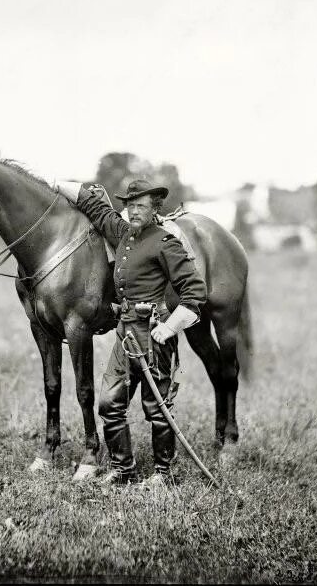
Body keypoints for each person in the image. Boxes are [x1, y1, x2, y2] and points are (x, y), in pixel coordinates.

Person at [54, 178, 207, 486]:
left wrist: (169, 328)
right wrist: (52, 181)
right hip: (126, 334)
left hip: (154, 334)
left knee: (157, 409)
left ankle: (163, 475)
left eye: (141, 206)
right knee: (110, 405)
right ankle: (124, 471)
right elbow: (94, 207)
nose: (134, 211)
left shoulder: (166, 243)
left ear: (154, 210)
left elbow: (195, 292)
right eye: (130, 206)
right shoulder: (123, 233)